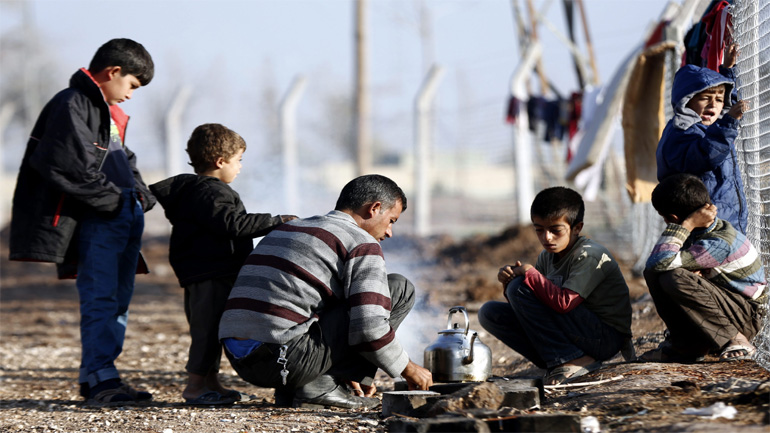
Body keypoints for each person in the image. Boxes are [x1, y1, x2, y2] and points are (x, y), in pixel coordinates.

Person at [8, 39, 156, 404]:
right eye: (133, 86)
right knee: (101, 297)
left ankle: (98, 376)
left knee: (118, 300)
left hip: (121, 214)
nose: (132, 95)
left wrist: (140, 196)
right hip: (102, 218)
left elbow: (125, 160)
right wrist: (115, 202)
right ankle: (102, 379)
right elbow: (65, 164)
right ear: (113, 72)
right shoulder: (72, 104)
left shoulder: (103, 111)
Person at [218, 174, 433, 409]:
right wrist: (408, 368)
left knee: (349, 297)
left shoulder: (291, 227)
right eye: (392, 220)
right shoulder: (361, 242)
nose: (389, 232)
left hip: (242, 361)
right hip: (284, 359)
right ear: (374, 208)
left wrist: (349, 367)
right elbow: (369, 328)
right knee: (398, 288)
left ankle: (315, 383)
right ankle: (319, 386)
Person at [150, 123, 297, 405]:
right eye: (238, 160)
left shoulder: (201, 191)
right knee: (206, 331)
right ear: (220, 162)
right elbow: (232, 223)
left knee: (214, 328)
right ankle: (194, 387)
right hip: (211, 272)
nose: (240, 166)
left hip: (206, 271)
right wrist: (275, 221)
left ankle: (211, 382)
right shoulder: (211, 192)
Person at [478, 186, 632, 385]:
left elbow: (563, 303)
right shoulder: (547, 256)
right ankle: (559, 359)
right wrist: (508, 284)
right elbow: (532, 305)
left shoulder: (589, 255)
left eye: (555, 230)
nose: (546, 238)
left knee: (520, 285)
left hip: (604, 337)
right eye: (539, 230)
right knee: (489, 312)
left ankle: (576, 359)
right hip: (577, 330)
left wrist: (528, 275)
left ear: (577, 228)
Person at [640, 173, 766, 363]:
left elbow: (658, 261)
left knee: (671, 276)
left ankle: (735, 339)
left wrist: (686, 224)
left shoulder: (720, 242)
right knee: (655, 274)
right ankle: (686, 345)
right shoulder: (696, 235)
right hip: (724, 307)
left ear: (672, 218)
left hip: (746, 316)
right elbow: (657, 264)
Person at [656, 43, 750, 234]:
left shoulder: (710, 127)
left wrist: (728, 70)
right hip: (704, 226)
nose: (713, 105)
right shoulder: (682, 131)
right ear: (686, 100)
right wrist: (730, 121)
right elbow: (706, 155)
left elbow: (726, 109)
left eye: (718, 99)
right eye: (704, 98)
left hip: (726, 221)